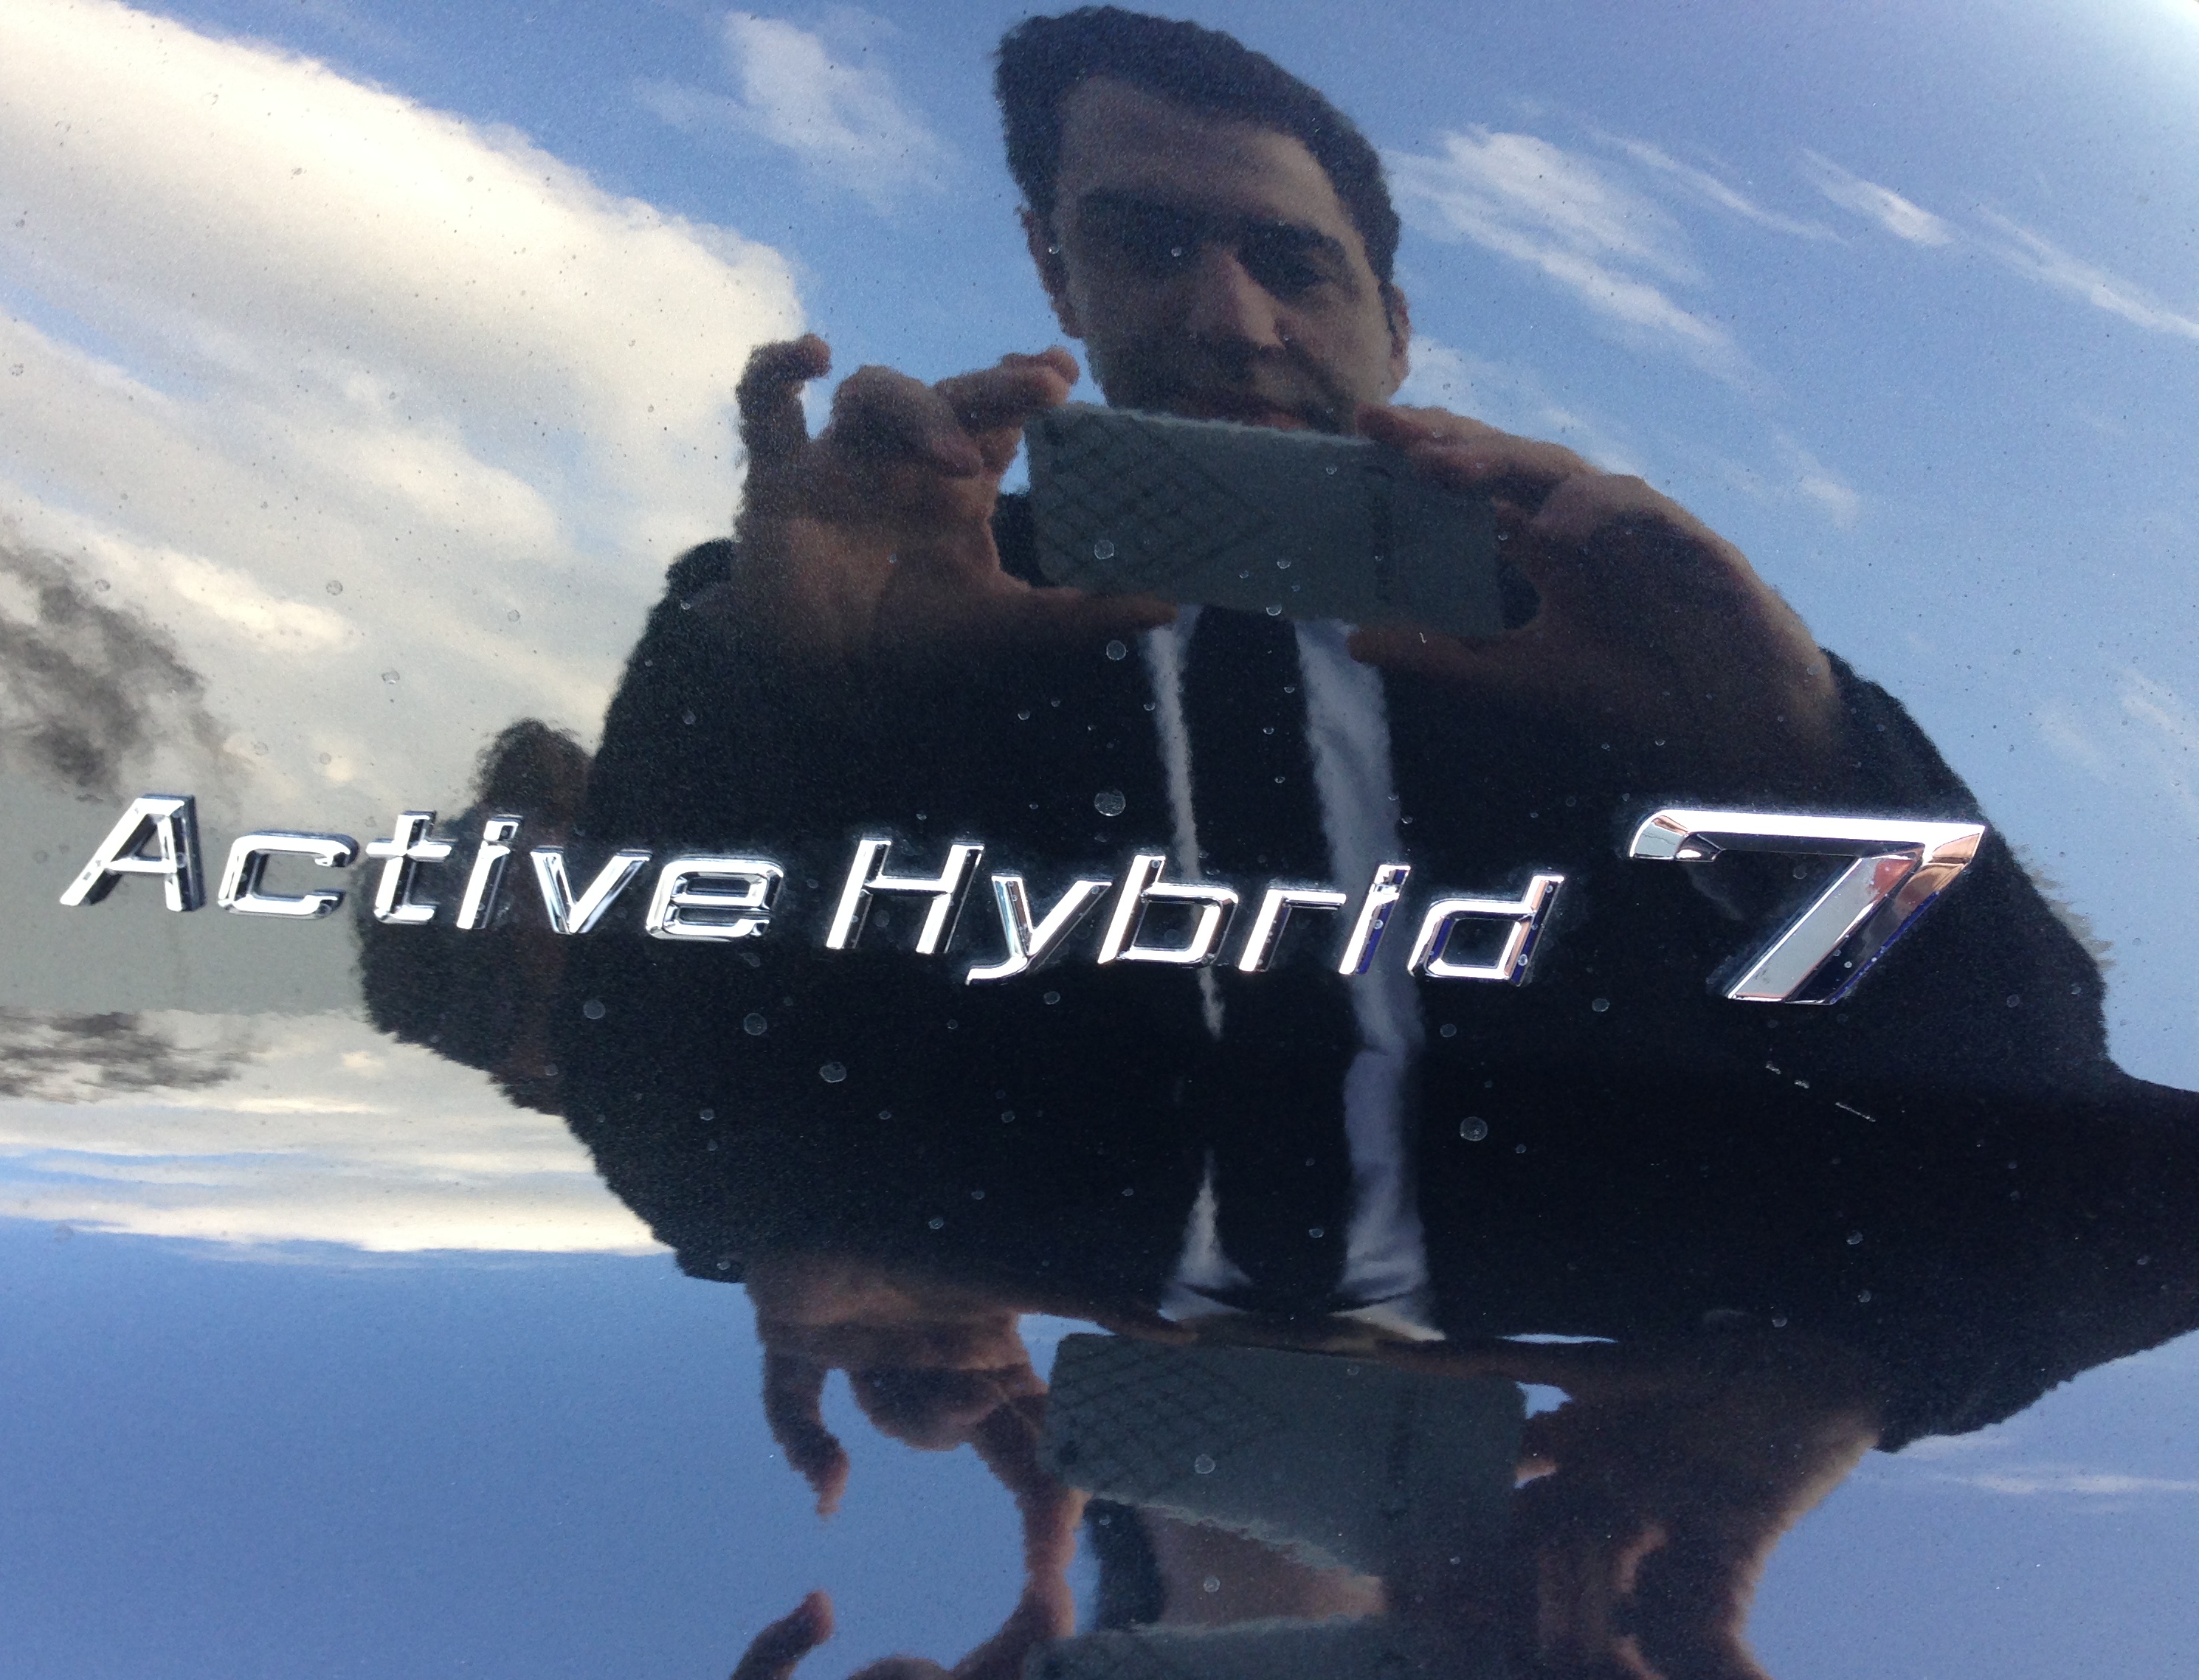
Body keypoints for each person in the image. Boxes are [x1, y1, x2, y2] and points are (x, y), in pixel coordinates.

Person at [367, 8, 2141, 1370]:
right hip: (1300, 1417)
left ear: (1393, 322)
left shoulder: (1621, 652)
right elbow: (713, 1142)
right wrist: (778, 688)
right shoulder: (888, 636)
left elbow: (2037, 1147)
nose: (1227, 317)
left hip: (1534, 1444)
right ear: (1055, 274)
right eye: (1145, 242)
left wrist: (1806, 754)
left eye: (1291, 261)